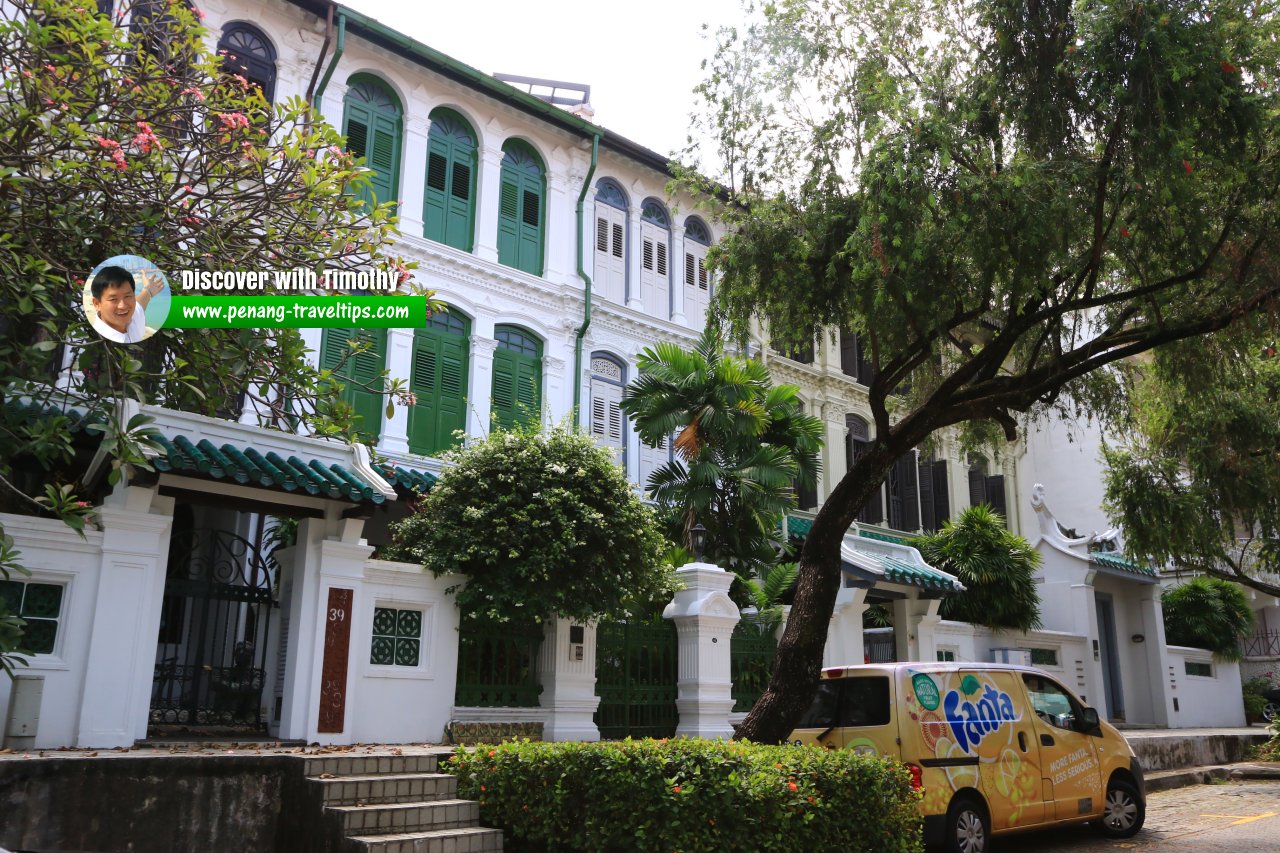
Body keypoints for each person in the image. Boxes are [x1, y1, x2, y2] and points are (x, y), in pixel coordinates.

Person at [88, 264, 164, 343]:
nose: (123, 306)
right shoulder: (96, 340)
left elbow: (140, 303)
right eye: (113, 299)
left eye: (127, 296)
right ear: (97, 304)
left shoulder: (133, 317)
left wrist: (148, 289)